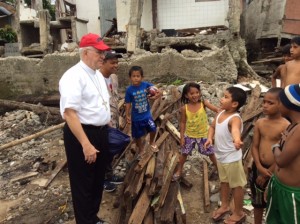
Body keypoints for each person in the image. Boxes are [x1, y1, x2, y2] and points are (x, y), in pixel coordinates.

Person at [59, 33, 111, 224]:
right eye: (99, 52)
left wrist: (108, 122)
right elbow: (70, 114)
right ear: (86, 52)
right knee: (83, 183)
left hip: (100, 132)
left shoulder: (97, 74)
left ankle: (92, 218)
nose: (103, 57)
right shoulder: (73, 76)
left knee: (97, 180)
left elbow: (100, 102)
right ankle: (85, 221)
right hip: (82, 134)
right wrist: (86, 144)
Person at [204, 86, 247, 223]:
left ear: (234, 104)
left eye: (226, 97)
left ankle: (239, 213)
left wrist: (237, 140)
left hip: (232, 159)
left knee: (236, 186)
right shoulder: (220, 113)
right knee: (224, 182)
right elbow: (212, 127)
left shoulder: (235, 118)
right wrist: (210, 138)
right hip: (221, 156)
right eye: (223, 96)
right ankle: (224, 206)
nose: (221, 99)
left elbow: (235, 130)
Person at [250, 88, 290, 224]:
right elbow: (254, 146)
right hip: (258, 166)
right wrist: (259, 166)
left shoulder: (286, 126)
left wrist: (268, 172)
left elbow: (284, 153)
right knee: (257, 200)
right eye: (264, 102)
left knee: (273, 202)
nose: (265, 105)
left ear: (281, 104)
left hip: (274, 170)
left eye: (270, 103)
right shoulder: (260, 123)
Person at [265, 84, 300, 224]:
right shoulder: (292, 125)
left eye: (279, 101)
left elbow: (282, 160)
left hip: (291, 193)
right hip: (278, 186)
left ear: (289, 104)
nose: (278, 105)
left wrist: (274, 147)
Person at [172, 82, 219, 181]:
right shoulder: (184, 108)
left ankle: (219, 169)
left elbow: (216, 110)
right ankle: (179, 170)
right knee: (184, 153)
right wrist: (181, 137)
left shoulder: (203, 103)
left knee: (211, 153)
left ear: (200, 93)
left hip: (204, 135)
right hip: (189, 135)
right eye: (192, 93)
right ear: (186, 95)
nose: (195, 95)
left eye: (197, 92)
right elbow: (183, 123)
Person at [99, 50, 124, 192]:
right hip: (102, 123)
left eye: (117, 62)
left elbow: (116, 98)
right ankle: (102, 180)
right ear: (102, 62)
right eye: (112, 62)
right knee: (102, 151)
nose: (116, 65)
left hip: (113, 119)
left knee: (110, 150)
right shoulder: (96, 80)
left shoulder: (114, 78)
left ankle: (109, 175)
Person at [125, 65, 160, 157]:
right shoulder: (129, 90)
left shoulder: (146, 85)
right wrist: (127, 115)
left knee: (153, 129)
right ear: (130, 78)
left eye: (138, 76)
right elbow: (128, 103)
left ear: (142, 77)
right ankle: (140, 149)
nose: (136, 78)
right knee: (138, 136)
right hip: (136, 118)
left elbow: (156, 89)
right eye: (134, 76)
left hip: (147, 115)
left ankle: (152, 142)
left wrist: (157, 94)